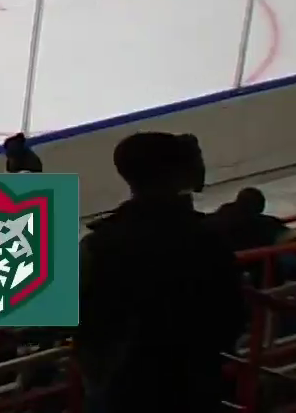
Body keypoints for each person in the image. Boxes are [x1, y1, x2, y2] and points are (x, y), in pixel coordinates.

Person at [77, 131, 244, 413]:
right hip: (194, 385)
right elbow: (232, 314)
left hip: (121, 391)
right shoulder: (206, 237)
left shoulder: (100, 243)